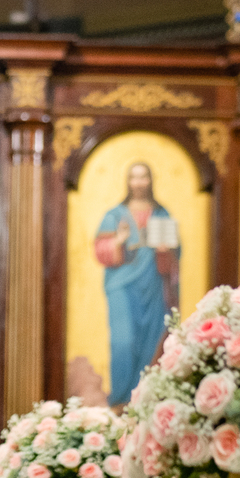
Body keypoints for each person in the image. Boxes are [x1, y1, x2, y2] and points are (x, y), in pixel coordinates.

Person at [94, 161, 179, 406]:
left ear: (150, 181)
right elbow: (100, 251)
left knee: (151, 341)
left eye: (143, 177)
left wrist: (166, 252)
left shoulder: (162, 214)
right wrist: (117, 242)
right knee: (124, 341)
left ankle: (146, 398)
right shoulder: (114, 215)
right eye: (134, 177)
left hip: (153, 285)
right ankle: (120, 398)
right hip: (122, 285)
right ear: (128, 182)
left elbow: (175, 255)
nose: (139, 182)